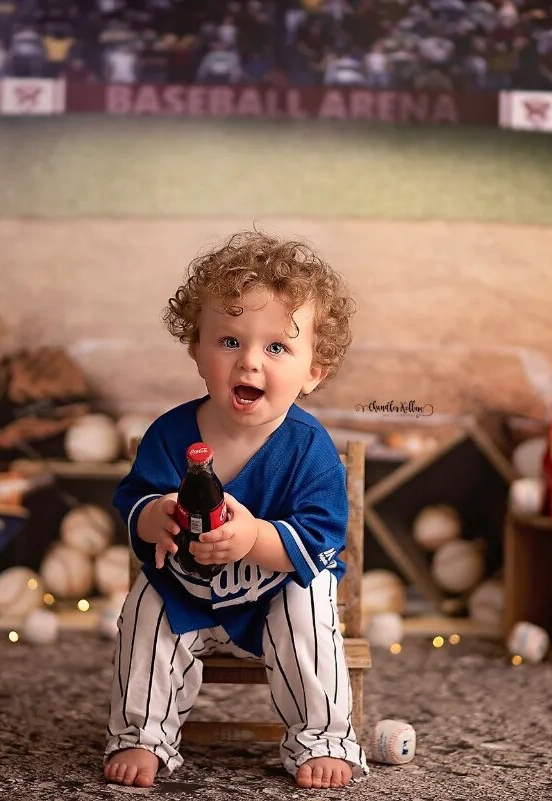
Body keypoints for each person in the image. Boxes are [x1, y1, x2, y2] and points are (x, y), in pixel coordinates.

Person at [104, 231, 366, 790]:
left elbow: (321, 541)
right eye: (228, 341)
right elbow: (136, 502)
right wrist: (155, 516)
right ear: (197, 350)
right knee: (144, 610)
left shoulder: (308, 449)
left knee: (309, 606)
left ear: (313, 370)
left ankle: (322, 737)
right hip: (188, 590)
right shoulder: (171, 433)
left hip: (272, 591)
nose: (249, 361)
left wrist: (254, 540)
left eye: (276, 348)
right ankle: (142, 735)